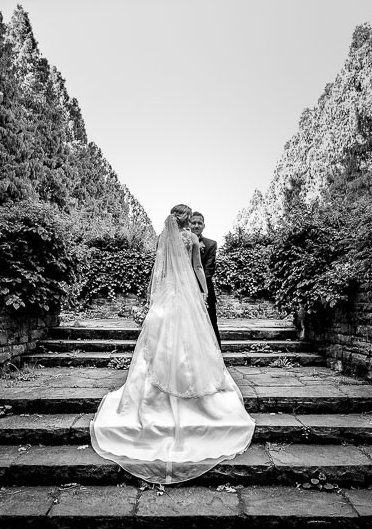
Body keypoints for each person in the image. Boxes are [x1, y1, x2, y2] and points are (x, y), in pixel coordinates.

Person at [89, 204, 255, 484]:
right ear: (187, 220)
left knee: (158, 343)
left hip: (166, 297)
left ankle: (151, 395)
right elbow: (198, 267)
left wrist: (152, 298)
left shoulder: (162, 237)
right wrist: (202, 293)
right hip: (186, 296)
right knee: (191, 342)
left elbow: (158, 270)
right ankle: (192, 391)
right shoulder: (191, 240)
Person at [189, 211, 221, 347]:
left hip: (205, 287)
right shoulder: (179, 242)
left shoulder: (211, 244)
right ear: (188, 224)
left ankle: (216, 351)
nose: (196, 225)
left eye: (199, 223)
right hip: (184, 287)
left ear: (204, 225)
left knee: (210, 320)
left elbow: (208, 270)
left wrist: (203, 291)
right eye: (193, 222)